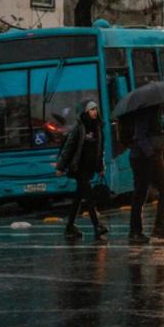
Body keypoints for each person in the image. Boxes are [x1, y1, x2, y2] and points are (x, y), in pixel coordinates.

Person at [56, 101, 108, 241]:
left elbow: (99, 150)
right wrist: (61, 167)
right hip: (79, 168)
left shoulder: (98, 128)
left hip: (90, 168)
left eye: (96, 109)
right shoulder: (79, 128)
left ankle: (69, 226)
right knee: (89, 197)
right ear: (86, 112)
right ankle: (97, 226)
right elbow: (69, 148)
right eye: (92, 109)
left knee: (78, 197)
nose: (95, 112)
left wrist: (101, 167)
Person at [128, 105, 164, 244]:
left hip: (154, 156)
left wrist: (163, 145)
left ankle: (159, 227)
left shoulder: (158, 111)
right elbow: (140, 136)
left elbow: (155, 133)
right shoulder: (144, 111)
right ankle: (135, 232)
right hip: (141, 158)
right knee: (140, 193)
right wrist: (150, 152)